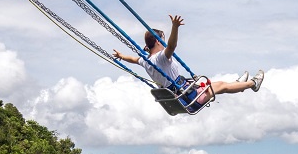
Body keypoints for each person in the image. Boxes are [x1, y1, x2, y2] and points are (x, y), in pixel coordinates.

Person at [113, 14, 264, 98]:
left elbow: (133, 59)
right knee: (222, 86)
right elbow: (172, 46)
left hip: (180, 93)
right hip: (187, 96)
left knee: (220, 85)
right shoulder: (160, 58)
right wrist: (175, 27)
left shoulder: (146, 61)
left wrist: (121, 56)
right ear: (158, 42)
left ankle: (240, 85)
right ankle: (252, 84)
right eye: (162, 39)